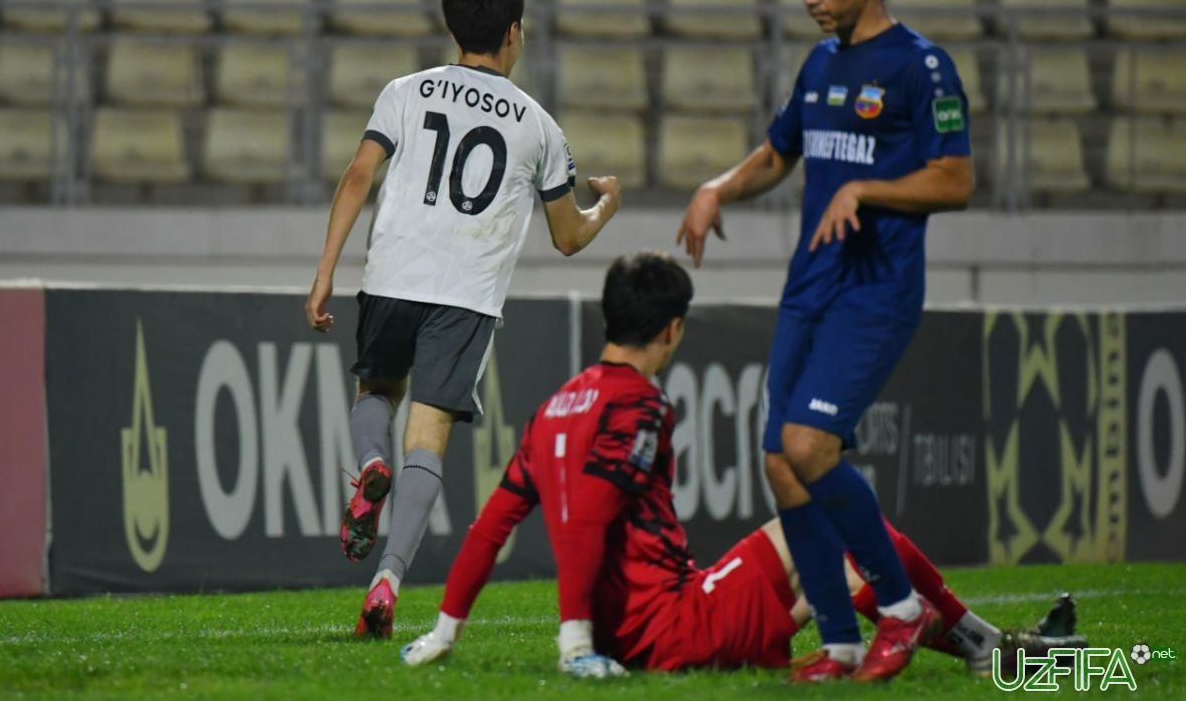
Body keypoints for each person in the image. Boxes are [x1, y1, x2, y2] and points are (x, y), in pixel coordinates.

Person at [399, 253, 1083, 678]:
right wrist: (575, 643)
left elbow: (492, 526)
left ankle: (993, 649)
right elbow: (586, 523)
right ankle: (979, 643)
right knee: (830, 524)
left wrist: (445, 628)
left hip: (646, 624)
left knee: (833, 551)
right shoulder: (638, 404)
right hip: (674, 626)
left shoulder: (556, 407)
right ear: (672, 329)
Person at [676, 0, 975, 683]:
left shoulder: (922, 66)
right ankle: (840, 641)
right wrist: (717, 188)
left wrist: (867, 189)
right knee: (781, 461)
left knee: (810, 447)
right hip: (810, 286)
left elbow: (956, 179)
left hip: (874, 290)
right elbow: (780, 152)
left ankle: (902, 608)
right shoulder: (820, 63)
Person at [304, 0, 622, 639]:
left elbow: (359, 175)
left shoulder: (404, 91)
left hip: (392, 277)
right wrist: (606, 208)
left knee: (376, 391)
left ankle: (371, 464)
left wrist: (325, 271)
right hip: (466, 297)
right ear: (513, 33)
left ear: (455, 31)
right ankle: (388, 581)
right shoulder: (539, 126)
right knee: (429, 436)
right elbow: (568, 236)